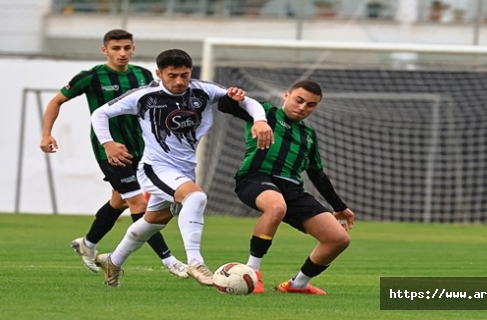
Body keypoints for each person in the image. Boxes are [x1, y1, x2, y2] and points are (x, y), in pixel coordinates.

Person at [91, 48, 274, 287]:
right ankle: (196, 263)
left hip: (184, 170)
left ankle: (113, 261)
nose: (179, 81)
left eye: (184, 75)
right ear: (159, 74)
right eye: (172, 75)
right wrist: (108, 143)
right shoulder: (144, 96)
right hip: (155, 168)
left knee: (153, 221)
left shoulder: (202, 90)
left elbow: (248, 102)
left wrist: (260, 121)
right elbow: (100, 113)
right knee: (196, 198)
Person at [39, 29, 188, 278]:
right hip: (109, 150)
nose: (122, 52)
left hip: (142, 149)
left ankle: (87, 243)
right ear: (104, 50)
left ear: (133, 49)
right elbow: (56, 101)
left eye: (127, 47)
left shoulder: (142, 74)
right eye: (116, 48)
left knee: (119, 201)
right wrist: (46, 134)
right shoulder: (92, 77)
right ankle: (170, 261)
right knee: (138, 203)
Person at [218, 79, 355, 295]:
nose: (302, 107)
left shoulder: (308, 135)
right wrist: (230, 97)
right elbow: (226, 107)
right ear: (286, 95)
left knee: (338, 239)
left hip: (291, 189)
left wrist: (339, 206)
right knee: (276, 207)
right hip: (255, 177)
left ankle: (297, 284)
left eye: (310, 105)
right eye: (299, 100)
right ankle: (253, 274)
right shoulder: (264, 113)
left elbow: (316, 173)